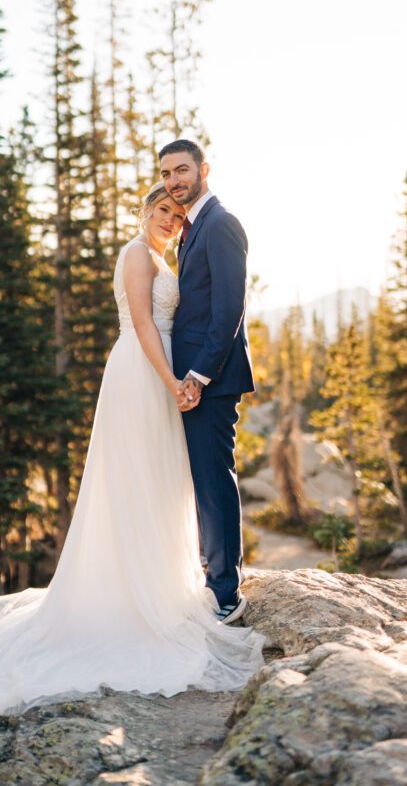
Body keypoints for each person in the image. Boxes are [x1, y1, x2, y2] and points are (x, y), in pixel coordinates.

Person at [0, 183, 265, 727]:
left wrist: (181, 382)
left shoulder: (166, 257)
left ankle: (161, 579)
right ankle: (130, 594)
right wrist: (173, 382)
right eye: (162, 209)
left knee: (160, 482)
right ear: (145, 211)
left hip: (163, 376)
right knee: (135, 479)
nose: (170, 218)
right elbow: (141, 325)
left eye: (178, 214)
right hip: (142, 373)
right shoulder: (136, 255)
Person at [159, 140, 254, 625]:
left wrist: (198, 375)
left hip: (211, 378)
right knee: (201, 479)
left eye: (182, 169)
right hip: (193, 377)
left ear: (204, 169)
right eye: (167, 173)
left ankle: (226, 593)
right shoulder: (190, 229)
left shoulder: (220, 224)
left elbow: (229, 310)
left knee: (214, 480)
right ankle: (213, 570)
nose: (175, 180)